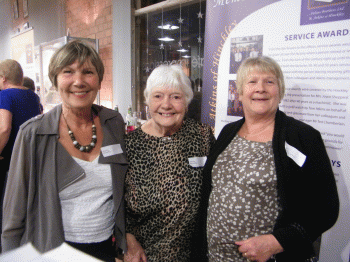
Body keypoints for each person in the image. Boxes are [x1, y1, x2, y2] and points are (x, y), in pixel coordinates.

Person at [199, 56, 339, 262]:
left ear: (280, 91)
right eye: (252, 81)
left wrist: (278, 242)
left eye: (269, 81)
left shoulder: (303, 137)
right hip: (217, 256)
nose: (260, 88)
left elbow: (326, 208)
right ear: (239, 92)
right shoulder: (228, 132)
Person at [1, 41, 128, 261]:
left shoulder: (113, 123)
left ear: (98, 80)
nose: (78, 82)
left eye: (88, 72)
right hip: (51, 251)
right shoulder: (33, 133)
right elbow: (13, 217)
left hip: (106, 250)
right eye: (68, 72)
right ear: (55, 80)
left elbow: (124, 191)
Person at [124, 64, 215, 262]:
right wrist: (128, 240)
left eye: (175, 96)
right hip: (143, 256)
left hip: (195, 255)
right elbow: (115, 205)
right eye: (158, 96)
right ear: (147, 100)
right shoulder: (130, 145)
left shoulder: (202, 136)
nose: (166, 104)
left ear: (187, 101)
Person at [0, 60, 41, 246]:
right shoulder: (32, 96)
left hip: (9, 161)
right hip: (32, 159)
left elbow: (4, 129)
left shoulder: (5, 95)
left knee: (7, 208)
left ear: (3, 78)